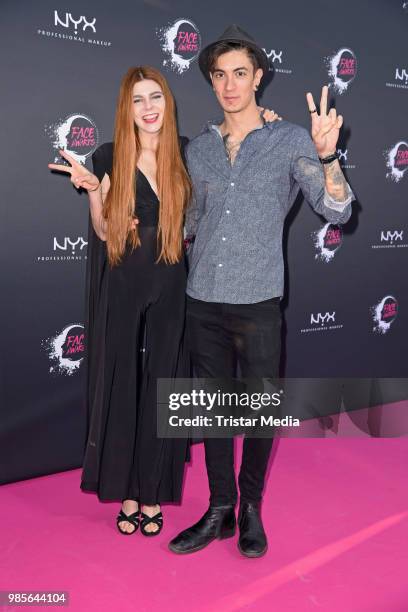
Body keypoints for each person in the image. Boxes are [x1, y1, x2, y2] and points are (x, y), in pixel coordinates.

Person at [168, 25, 355, 557]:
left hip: (258, 304)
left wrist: (327, 155)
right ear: (210, 81)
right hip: (202, 298)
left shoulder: (291, 139)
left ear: (259, 78)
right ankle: (219, 507)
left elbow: (336, 207)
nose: (230, 85)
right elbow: (189, 222)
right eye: (220, 75)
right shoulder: (199, 150)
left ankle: (250, 508)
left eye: (240, 74)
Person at [48, 66, 192, 537]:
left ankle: (152, 489)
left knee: (164, 383)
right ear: (125, 108)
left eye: (155, 97)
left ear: (167, 101)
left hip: (172, 279)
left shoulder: (186, 153)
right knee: (121, 381)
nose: (148, 108)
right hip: (125, 279)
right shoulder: (110, 154)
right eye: (137, 100)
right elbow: (105, 231)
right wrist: (94, 193)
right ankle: (126, 490)